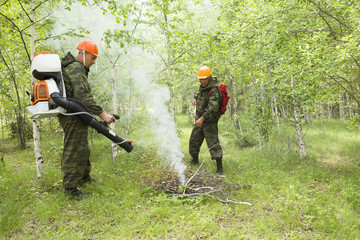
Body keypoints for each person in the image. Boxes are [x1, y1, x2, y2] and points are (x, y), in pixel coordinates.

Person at [59, 40, 115, 198]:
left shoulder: (75, 66)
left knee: (82, 147)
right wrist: (102, 114)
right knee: (74, 149)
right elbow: (82, 95)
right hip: (71, 114)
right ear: (83, 54)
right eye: (93, 58)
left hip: (75, 113)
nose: (94, 62)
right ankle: (70, 189)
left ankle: (84, 177)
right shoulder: (76, 67)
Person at [189, 66, 223, 174]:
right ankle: (194, 161)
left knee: (213, 144)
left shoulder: (214, 90)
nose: (202, 81)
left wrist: (202, 118)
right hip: (200, 120)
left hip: (209, 122)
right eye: (201, 79)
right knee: (194, 140)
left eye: (204, 79)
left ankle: (219, 168)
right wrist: (195, 98)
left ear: (209, 77)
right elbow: (199, 94)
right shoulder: (202, 87)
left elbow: (212, 108)